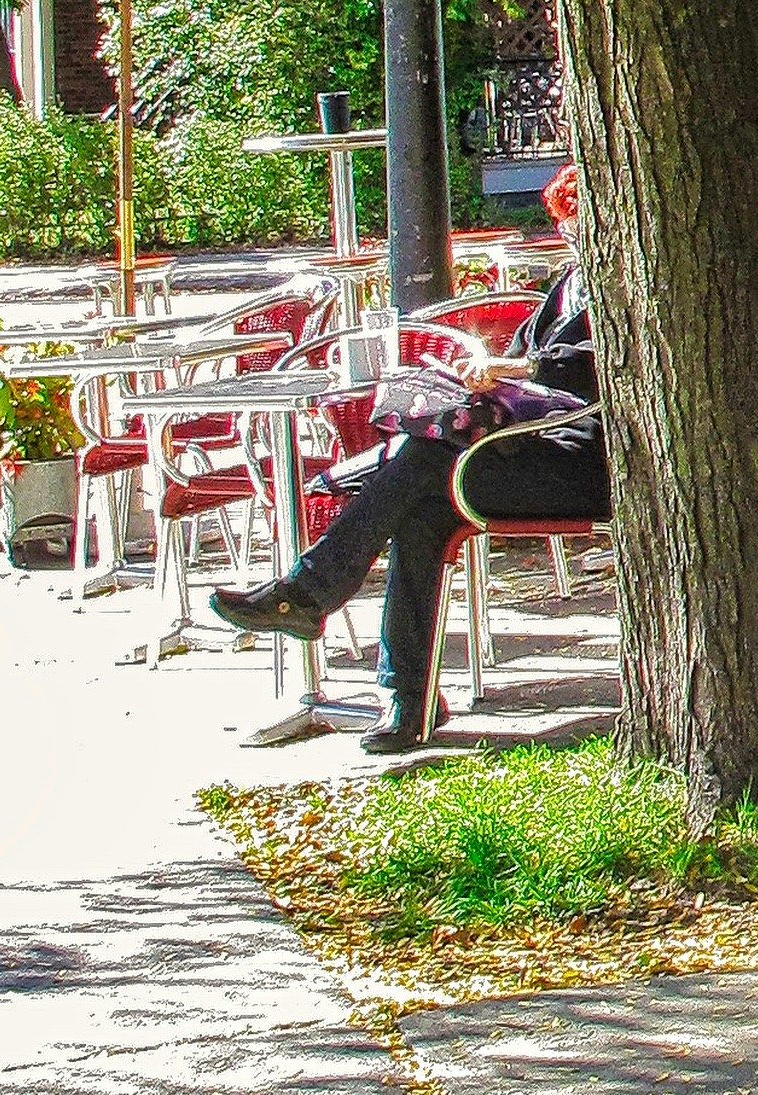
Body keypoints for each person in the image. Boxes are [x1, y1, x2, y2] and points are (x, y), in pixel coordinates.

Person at [211, 222, 606, 757]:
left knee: (415, 463)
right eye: (567, 220)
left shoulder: (622, 282)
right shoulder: (567, 282)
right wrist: (475, 376)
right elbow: (520, 369)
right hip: (524, 446)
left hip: (581, 460)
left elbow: (601, 367)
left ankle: (308, 593)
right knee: (420, 507)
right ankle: (408, 700)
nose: (574, 231)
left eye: (580, 218)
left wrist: (520, 366)